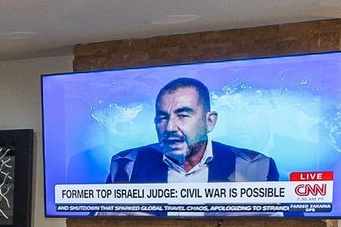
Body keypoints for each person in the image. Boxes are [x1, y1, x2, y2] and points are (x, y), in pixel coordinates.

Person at [107, 77, 280, 184]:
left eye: (182, 115)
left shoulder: (254, 166)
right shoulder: (126, 164)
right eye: (163, 118)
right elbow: (104, 220)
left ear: (210, 121)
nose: (170, 128)